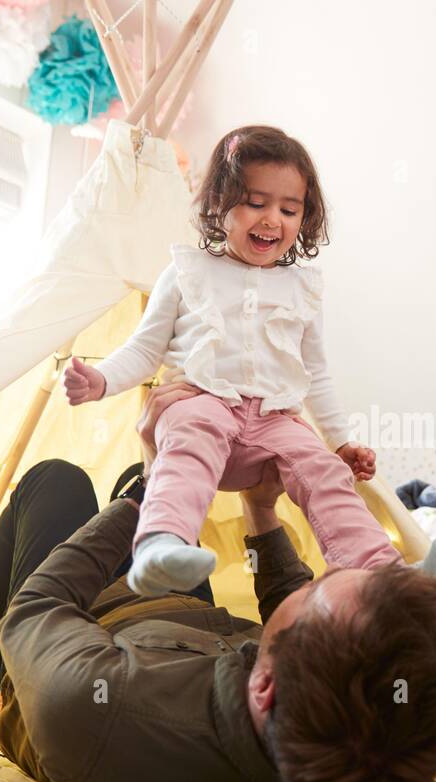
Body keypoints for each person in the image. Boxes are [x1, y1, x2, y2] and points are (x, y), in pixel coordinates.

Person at [0, 457, 436, 782]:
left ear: (264, 686)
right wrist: (260, 508)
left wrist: (147, 492)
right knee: (156, 504)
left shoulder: (95, 703)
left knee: (58, 482)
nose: (312, 579)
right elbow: (314, 632)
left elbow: (35, 608)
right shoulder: (361, 760)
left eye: (315, 587)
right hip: (190, 620)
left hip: (87, 623)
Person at [61, 125, 403, 598]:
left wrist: (340, 443)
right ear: (220, 203)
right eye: (256, 203)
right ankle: (162, 543)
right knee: (187, 441)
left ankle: (381, 571)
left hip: (273, 419)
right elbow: (145, 348)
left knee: (325, 472)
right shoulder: (187, 271)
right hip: (200, 401)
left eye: (289, 209)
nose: (272, 219)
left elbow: (316, 374)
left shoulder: (302, 288)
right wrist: (99, 380)